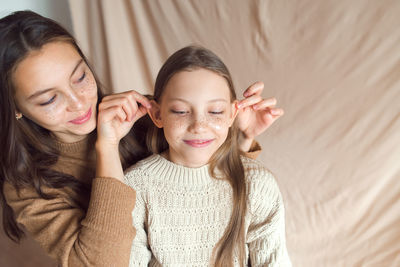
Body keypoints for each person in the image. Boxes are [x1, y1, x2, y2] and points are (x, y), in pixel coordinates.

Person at [0, 11, 284, 267]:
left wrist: (242, 137)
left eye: (80, 77)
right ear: (15, 110)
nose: (78, 102)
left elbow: (210, 197)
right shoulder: (26, 185)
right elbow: (104, 264)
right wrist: (107, 147)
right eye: (49, 99)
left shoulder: (146, 114)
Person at [124, 46, 291, 266]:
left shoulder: (259, 185)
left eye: (215, 112)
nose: (199, 126)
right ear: (157, 114)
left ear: (233, 114)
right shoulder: (135, 185)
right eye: (181, 111)